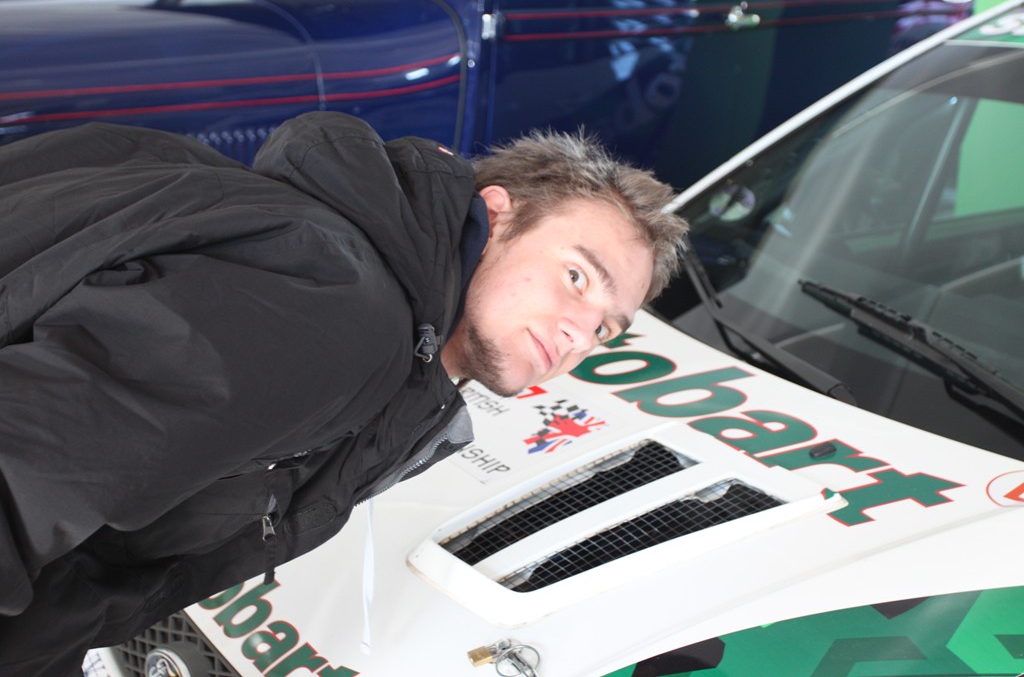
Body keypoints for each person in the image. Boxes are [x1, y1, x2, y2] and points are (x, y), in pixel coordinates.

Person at [0, 111, 687, 675]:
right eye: (576, 276)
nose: (578, 332)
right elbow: (22, 471)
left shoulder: (292, 225)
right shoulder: (340, 316)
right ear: (498, 213)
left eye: (605, 328)